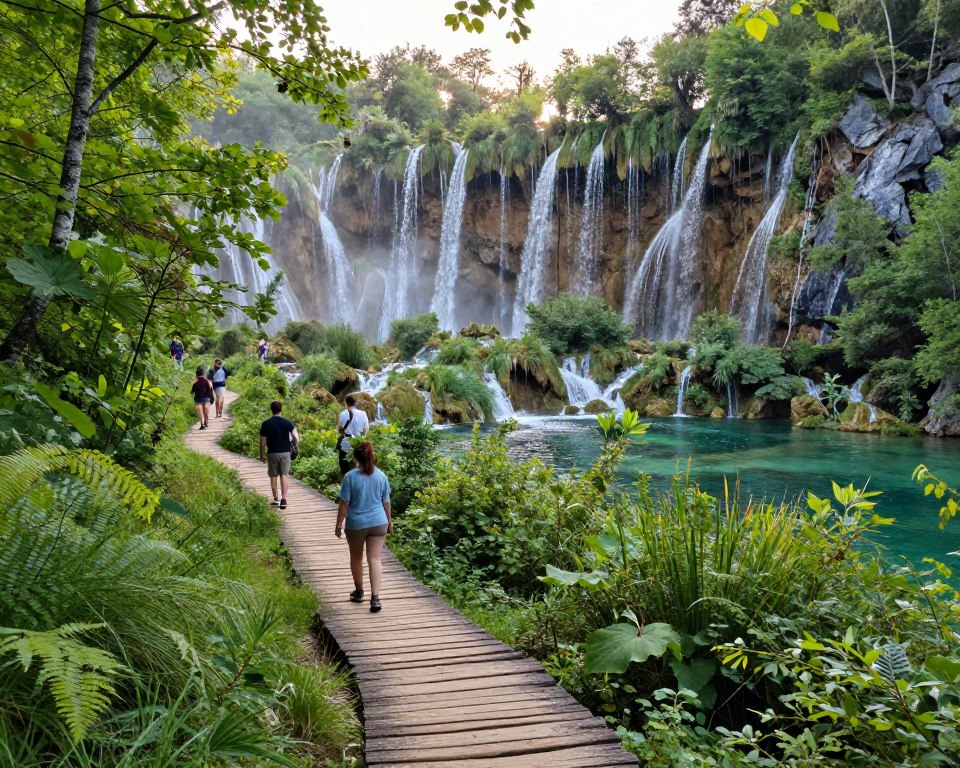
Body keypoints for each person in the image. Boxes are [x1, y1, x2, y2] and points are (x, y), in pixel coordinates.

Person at [335, 441, 392, 613]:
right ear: (372, 456)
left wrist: (338, 524)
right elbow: (386, 502)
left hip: (356, 524)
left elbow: (344, 504)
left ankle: (359, 592)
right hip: (378, 521)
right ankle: (375, 598)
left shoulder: (350, 477)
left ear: (355, 458)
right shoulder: (381, 476)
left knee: (356, 558)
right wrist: (389, 522)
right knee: (375, 559)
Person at [259, 400, 299, 510]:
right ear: (281, 409)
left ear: (271, 410)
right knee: (284, 475)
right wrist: (295, 444)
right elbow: (295, 437)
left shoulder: (266, 423)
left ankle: (276, 498)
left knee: (273, 476)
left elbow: (262, 442)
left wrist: (261, 454)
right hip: (285, 452)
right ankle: (284, 499)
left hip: (272, 453)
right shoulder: (287, 422)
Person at [336, 394, 370, 476]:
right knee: (360, 464)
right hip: (359, 441)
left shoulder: (342, 414)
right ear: (355, 403)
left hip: (346, 441)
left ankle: (345, 478)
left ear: (346, 403)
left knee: (345, 464)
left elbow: (340, 431)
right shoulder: (363, 413)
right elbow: (366, 428)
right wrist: (363, 438)